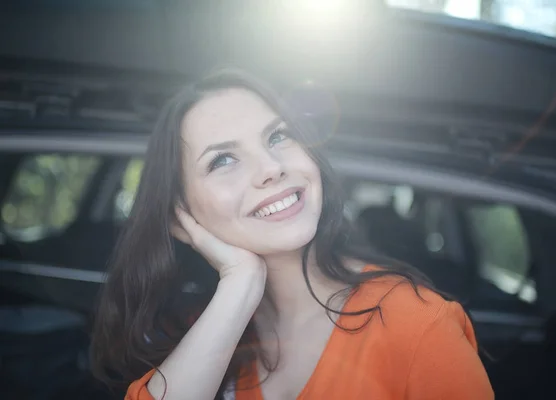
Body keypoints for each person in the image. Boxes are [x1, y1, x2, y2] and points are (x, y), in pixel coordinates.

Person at [90, 69, 494, 400]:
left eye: (278, 136)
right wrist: (240, 284)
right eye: (224, 159)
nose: (271, 167)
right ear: (181, 215)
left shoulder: (418, 324)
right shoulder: (201, 328)